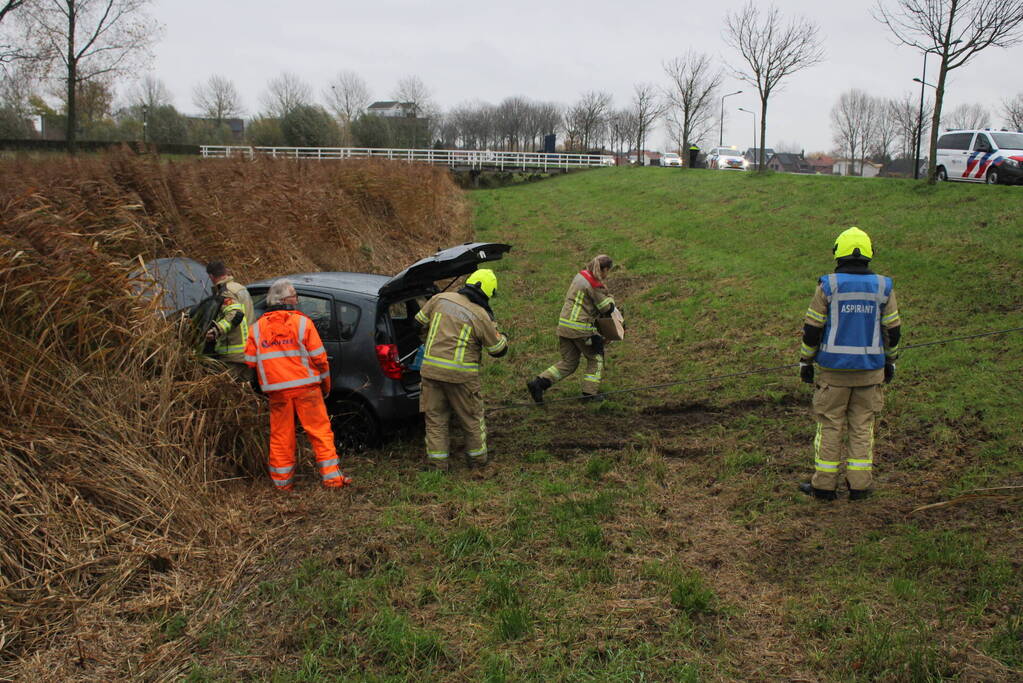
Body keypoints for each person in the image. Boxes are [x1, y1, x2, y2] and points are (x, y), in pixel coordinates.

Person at [798, 227, 901, 501]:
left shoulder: (828, 285)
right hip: (870, 373)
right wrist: (890, 361)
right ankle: (859, 486)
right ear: (868, 253)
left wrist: (805, 362)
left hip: (833, 374)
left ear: (838, 252)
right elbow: (894, 330)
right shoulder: (883, 286)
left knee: (830, 426)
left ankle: (823, 486)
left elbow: (811, 329)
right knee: (862, 427)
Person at [244, 279, 352, 491]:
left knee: (281, 435)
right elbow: (320, 359)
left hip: (277, 392)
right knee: (320, 432)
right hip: (307, 389)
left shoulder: (255, 329)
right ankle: (332, 479)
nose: (297, 300)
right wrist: (325, 385)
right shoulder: (302, 323)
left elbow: (249, 362)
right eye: (294, 296)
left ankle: (282, 483)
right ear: (285, 300)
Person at [413, 269, 508, 471]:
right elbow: (498, 350)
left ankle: (438, 465)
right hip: (461, 376)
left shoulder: (440, 299)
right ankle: (478, 462)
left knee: (435, 419)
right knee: (471, 418)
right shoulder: (481, 315)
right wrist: (502, 336)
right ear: (488, 293)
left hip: (431, 371)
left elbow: (417, 322)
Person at [526, 255, 615, 404]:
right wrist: (610, 297)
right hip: (580, 329)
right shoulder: (594, 285)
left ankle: (539, 383)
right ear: (604, 269)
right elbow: (606, 307)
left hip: (564, 326)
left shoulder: (581, 276)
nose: (607, 274)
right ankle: (589, 394)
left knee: (569, 362)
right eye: (608, 271)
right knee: (596, 358)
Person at [205, 261, 255, 380]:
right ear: (225, 271)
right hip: (249, 350)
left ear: (211, 277)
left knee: (231, 392)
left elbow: (235, 313)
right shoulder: (240, 288)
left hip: (234, 354)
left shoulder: (226, 291)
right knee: (247, 392)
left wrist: (216, 330)